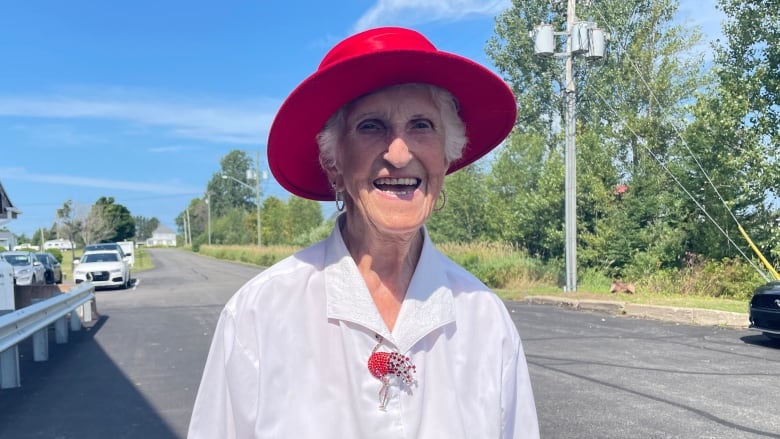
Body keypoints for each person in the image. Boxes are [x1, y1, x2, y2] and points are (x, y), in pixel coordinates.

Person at [188, 26, 539, 438]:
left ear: (446, 156)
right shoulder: (260, 315)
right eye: (371, 126)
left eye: (421, 125)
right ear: (334, 161)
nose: (399, 153)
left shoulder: (484, 319)